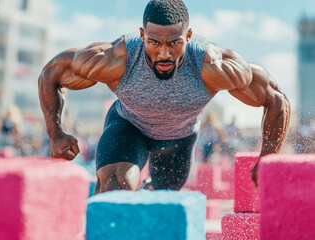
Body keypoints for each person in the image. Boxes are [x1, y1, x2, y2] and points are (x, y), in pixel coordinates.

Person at [38, 0, 290, 193]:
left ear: (188, 37)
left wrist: (267, 157)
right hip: (128, 127)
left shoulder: (213, 67)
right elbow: (51, 73)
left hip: (179, 140)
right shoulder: (115, 60)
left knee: (162, 200)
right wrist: (55, 133)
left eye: (174, 43)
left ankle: (149, 191)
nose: (164, 54)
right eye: (154, 42)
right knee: (116, 187)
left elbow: (275, 98)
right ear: (142, 35)